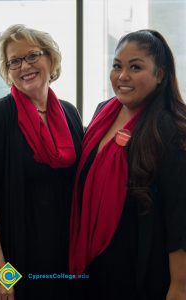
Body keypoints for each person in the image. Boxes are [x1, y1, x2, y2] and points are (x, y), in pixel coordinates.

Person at [69, 29, 186, 300]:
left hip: (140, 272)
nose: (122, 77)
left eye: (135, 67)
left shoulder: (171, 129)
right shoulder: (103, 112)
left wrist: (179, 288)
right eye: (117, 66)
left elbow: (180, 217)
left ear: (160, 74)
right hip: (92, 264)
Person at [0, 24, 84, 300]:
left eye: (31, 56)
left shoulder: (69, 112)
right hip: (16, 261)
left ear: (50, 59)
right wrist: (0, 273)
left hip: (64, 258)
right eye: (14, 61)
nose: (23, 66)